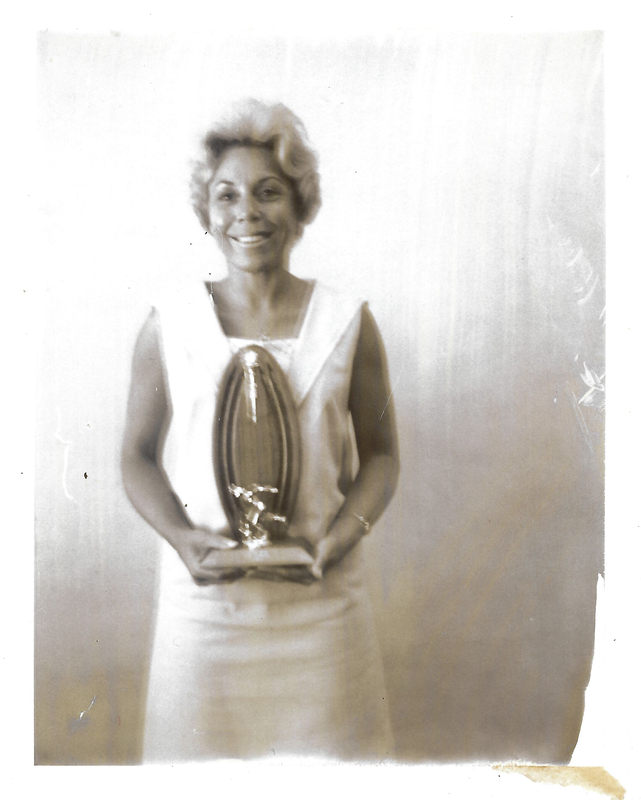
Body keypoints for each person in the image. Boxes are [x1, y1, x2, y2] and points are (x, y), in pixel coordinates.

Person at [121, 99, 400, 762]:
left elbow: (384, 456)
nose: (246, 211)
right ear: (207, 212)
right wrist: (183, 538)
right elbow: (134, 456)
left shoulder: (349, 321)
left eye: (268, 192)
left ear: (300, 206)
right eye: (226, 195)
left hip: (323, 610)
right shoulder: (168, 322)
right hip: (205, 615)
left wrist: (337, 541)